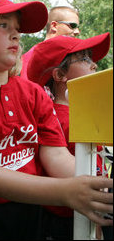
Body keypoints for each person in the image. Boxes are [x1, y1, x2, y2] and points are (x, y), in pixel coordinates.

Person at [0, 0, 113, 240]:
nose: (16, 34)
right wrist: (65, 191)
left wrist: (96, 185)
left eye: (17, 27)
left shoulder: (34, 93)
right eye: (3, 25)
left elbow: (55, 153)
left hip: (31, 209)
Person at [27, 32, 111, 240]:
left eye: (91, 58)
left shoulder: (81, 112)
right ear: (59, 75)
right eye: (84, 58)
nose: (93, 64)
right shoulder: (58, 118)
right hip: (69, 220)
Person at [20, 6, 80, 79]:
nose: (77, 32)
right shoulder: (31, 56)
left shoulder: (68, 56)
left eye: (78, 28)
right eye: (72, 26)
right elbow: (27, 88)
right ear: (54, 26)